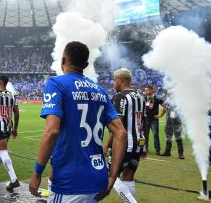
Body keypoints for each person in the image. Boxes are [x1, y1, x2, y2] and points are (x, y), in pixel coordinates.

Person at [29, 41, 127, 202]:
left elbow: (52, 131)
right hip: (98, 179)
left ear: (62, 61)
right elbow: (121, 134)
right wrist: (112, 177)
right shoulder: (100, 91)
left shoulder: (56, 83)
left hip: (69, 181)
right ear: (86, 64)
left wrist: (37, 172)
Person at [103, 68, 146, 198]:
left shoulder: (120, 96)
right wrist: (144, 146)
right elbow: (145, 122)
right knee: (128, 177)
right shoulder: (141, 96)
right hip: (138, 143)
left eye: (114, 80)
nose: (113, 83)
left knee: (109, 175)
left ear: (121, 80)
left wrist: (106, 145)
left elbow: (118, 126)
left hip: (124, 144)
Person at [144, 85, 165, 155]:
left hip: (154, 120)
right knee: (145, 135)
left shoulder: (157, 98)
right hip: (146, 119)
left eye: (147, 90)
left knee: (155, 135)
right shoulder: (144, 98)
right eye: (145, 90)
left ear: (151, 90)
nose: (145, 91)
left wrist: (160, 115)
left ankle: (157, 150)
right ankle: (145, 148)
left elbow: (165, 108)